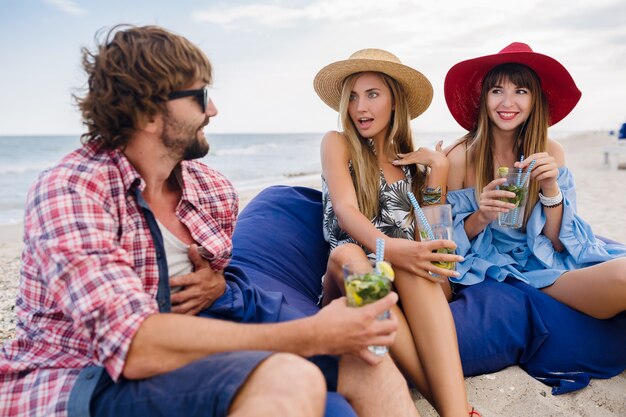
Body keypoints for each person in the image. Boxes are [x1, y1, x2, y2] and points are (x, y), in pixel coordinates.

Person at [0, 25, 423, 417]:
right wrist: (313, 333)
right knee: (292, 377)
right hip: (88, 377)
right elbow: (133, 347)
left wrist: (219, 286)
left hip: (191, 348)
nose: (215, 109)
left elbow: (219, 287)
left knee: (368, 359)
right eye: (200, 96)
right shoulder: (71, 192)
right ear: (147, 112)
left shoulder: (210, 189)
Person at [313, 49, 480, 417]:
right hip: (359, 267)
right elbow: (345, 211)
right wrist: (391, 249)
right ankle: (457, 410)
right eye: (353, 96)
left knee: (407, 260)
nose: (360, 106)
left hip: (415, 278)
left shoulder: (410, 163)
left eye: (373, 94)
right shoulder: (338, 143)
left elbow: (432, 234)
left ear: (395, 101)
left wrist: (437, 168)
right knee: (346, 255)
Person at [444, 42, 626, 320]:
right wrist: (482, 216)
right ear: (484, 98)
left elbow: (557, 242)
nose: (507, 103)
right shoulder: (460, 158)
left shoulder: (551, 151)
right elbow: (448, 244)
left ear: (534, 100)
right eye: (497, 91)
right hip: (507, 268)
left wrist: (550, 188)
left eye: (520, 91)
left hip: (550, 257)